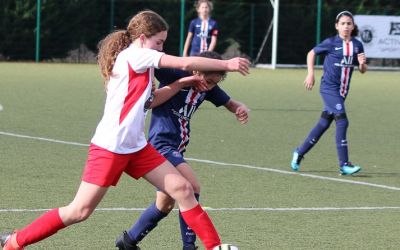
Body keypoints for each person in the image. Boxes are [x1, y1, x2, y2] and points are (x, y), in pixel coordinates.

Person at [0, 10, 250, 250]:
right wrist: (226, 63)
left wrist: (181, 83)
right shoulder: (135, 55)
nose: (161, 48)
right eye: (159, 42)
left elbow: (150, 101)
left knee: (183, 189)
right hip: (111, 147)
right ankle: (14, 242)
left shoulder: (143, 61)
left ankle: (214, 247)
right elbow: (184, 61)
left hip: (136, 146)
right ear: (142, 39)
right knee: (79, 211)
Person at [115, 51, 249, 250]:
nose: (210, 86)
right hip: (160, 144)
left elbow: (229, 103)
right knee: (192, 186)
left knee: (164, 204)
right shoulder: (174, 75)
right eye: (208, 80)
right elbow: (149, 63)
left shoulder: (208, 89)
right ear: (195, 68)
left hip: (177, 147)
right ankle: (189, 247)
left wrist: (240, 107)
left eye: (214, 83)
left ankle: (128, 241)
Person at [291, 10, 367, 175]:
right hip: (328, 88)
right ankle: (344, 164)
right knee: (342, 121)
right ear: (337, 26)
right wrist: (310, 73)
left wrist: (362, 64)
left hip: (342, 92)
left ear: (353, 26)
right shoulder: (331, 42)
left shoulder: (358, 45)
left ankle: (299, 152)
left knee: (323, 124)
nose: (346, 26)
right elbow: (311, 53)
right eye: (343, 24)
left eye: (349, 23)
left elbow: (362, 70)